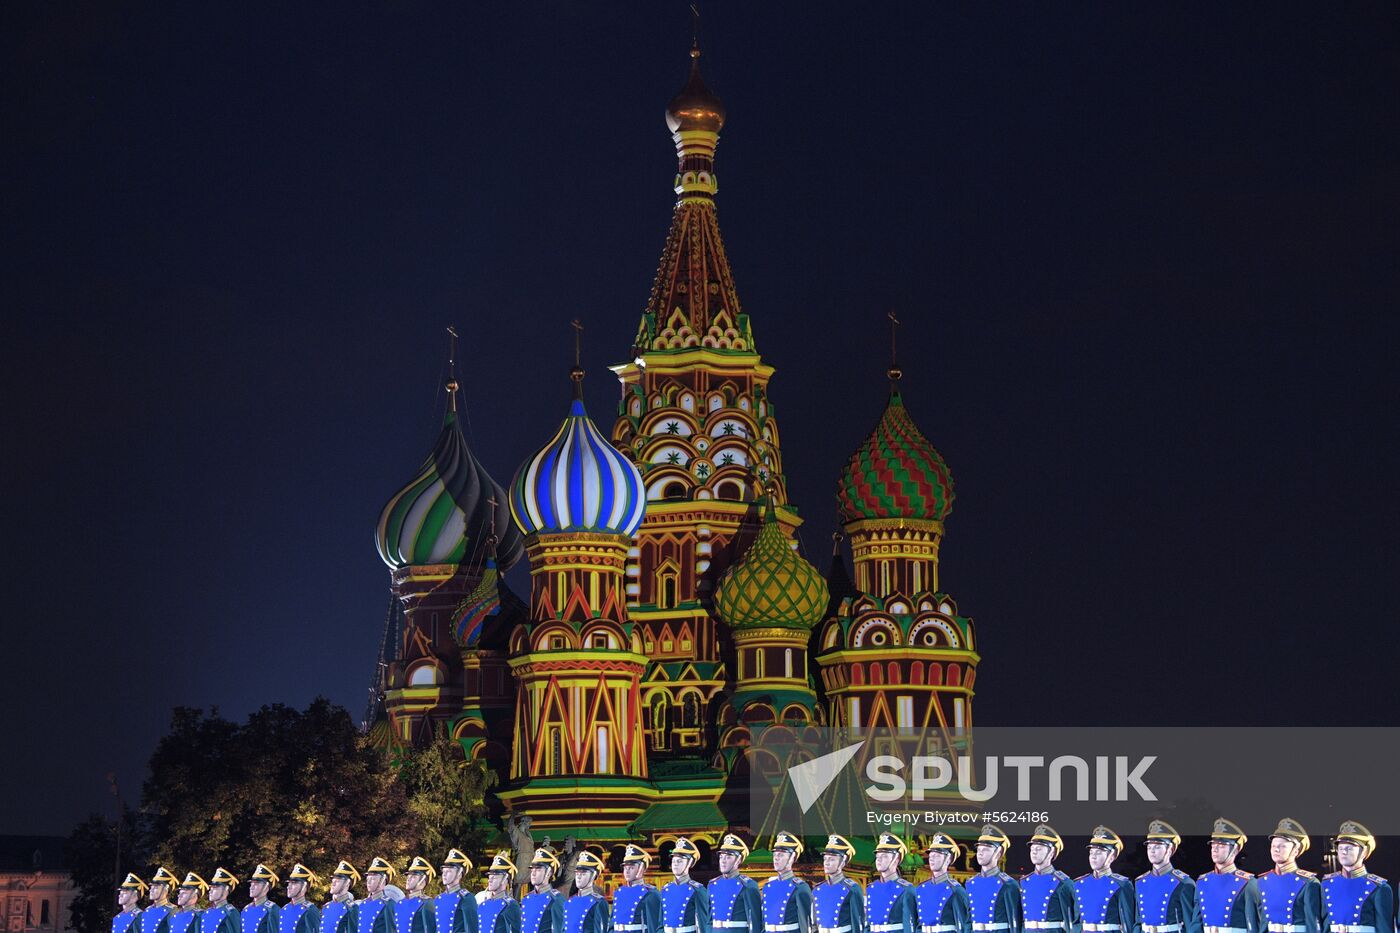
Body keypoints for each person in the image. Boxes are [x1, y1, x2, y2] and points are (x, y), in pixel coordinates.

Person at [1320, 821, 1392, 933]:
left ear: (1364, 852)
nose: (1344, 851)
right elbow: (1324, 925)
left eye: (1349, 848)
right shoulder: (1326, 884)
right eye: (1341, 847)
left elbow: (1384, 928)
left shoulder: (1379, 888)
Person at [1255, 819, 1323, 933]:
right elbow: (1262, 923)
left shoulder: (1308, 883)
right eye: (1273, 846)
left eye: (1282, 846)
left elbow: (1313, 925)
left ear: (1295, 851)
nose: (1276, 849)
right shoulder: (1262, 881)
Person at [1135, 821, 1200, 933]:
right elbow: (1138, 922)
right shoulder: (1140, 882)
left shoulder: (1183, 883)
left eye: (1157, 847)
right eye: (1149, 847)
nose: (1152, 851)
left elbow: (1190, 925)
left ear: (1169, 849)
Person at [1196, 819, 1259, 933]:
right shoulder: (1202, 881)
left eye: (1221, 845)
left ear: (1235, 849)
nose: (1215, 848)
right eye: (1213, 844)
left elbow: (1253, 926)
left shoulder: (1247, 883)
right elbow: (1196, 925)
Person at [1072, 827, 1135, 933]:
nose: (1093, 857)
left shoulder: (1121, 885)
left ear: (1111, 856)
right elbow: (1076, 923)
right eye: (1091, 852)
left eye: (1099, 852)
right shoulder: (1079, 884)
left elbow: (1128, 923)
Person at [1020, 826, 1077, 933]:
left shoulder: (1064, 883)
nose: (1034, 852)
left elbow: (1074, 920)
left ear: (1051, 852)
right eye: (1032, 849)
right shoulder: (1025, 882)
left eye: (1039, 849)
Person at [965, 826, 1020, 933]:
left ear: (998, 853)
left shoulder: (1008, 884)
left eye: (985, 849)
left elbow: (1015, 923)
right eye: (979, 849)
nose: (980, 853)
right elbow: (968, 921)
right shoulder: (971, 883)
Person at [914, 834, 969, 933]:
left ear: (948, 859)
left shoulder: (955, 891)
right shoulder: (921, 889)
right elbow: (918, 924)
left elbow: (963, 926)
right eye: (931, 854)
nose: (931, 858)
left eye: (937, 855)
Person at [812, 835, 866, 933]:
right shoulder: (817, 890)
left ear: (842, 863)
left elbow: (857, 924)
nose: (826, 863)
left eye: (832, 859)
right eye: (825, 859)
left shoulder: (851, 889)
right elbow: (815, 925)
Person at [709, 835, 761, 933]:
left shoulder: (748, 886)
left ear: (738, 860)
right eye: (721, 857)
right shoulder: (713, 885)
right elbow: (708, 921)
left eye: (728, 857)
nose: (723, 861)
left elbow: (755, 923)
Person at [866, 833, 916, 933]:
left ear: (896, 859)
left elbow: (909, 927)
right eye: (877, 855)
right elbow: (868, 925)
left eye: (884, 856)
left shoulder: (906, 890)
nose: (878, 859)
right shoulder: (871, 888)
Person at [762, 832, 811, 933]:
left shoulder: (800, 887)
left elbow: (805, 925)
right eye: (775, 854)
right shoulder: (768, 887)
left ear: (792, 857)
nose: (776, 858)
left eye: (781, 854)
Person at [663, 839, 711, 933]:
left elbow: (704, 923)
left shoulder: (698, 890)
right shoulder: (666, 889)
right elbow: (660, 923)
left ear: (689, 863)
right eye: (674, 861)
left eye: (680, 861)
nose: (675, 864)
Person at [614, 844, 662, 933]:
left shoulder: (650, 894)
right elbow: (612, 925)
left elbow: (654, 926)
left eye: (631, 867)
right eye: (625, 867)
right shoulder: (619, 892)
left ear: (642, 868)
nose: (627, 871)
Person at [522, 849, 566, 933]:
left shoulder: (556, 900)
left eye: (538, 869)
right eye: (532, 869)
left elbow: (560, 930)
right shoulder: (527, 898)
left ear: (548, 873)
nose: (533, 873)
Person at [435, 850, 479, 933]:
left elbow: (471, 929)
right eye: (443, 871)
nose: (444, 874)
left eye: (449, 871)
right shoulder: (439, 899)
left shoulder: (466, 899)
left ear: (459, 873)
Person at [565, 852, 610, 933]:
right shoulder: (569, 902)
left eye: (583, 873)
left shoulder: (598, 903)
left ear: (593, 875)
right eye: (577, 872)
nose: (578, 876)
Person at [479, 853, 522, 933]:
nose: (490, 880)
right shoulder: (482, 905)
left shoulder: (511, 906)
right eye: (489, 877)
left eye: (494, 877)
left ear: (504, 879)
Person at [357, 857, 401, 933]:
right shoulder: (362, 904)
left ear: (383, 881)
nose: (369, 882)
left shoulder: (389, 905)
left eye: (373, 879)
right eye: (368, 879)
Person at [397, 858, 437, 933]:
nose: (408, 879)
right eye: (408, 876)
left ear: (422, 881)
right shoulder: (400, 903)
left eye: (413, 877)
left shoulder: (427, 904)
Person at [320, 863, 360, 933]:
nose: (333, 884)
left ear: (347, 884)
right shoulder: (326, 907)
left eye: (337, 881)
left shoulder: (351, 909)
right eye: (333, 881)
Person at [281, 865, 322, 933]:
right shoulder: (285, 908)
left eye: (293, 883)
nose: (289, 887)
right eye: (289, 883)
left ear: (304, 886)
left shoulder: (310, 910)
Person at [141, 868, 180, 933]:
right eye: (151, 887)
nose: (151, 890)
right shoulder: (148, 910)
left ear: (166, 889)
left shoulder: (172, 911)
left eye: (156, 887)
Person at [244, 867, 283, 933]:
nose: (251, 887)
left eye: (256, 884)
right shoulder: (247, 909)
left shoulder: (272, 910)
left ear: (266, 887)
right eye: (251, 884)